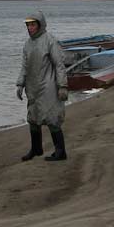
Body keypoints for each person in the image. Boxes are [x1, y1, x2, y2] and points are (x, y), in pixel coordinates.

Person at [16, 9, 69, 161]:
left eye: (33, 24)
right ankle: (36, 149)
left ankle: (60, 152)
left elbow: (59, 65)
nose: (30, 28)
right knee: (33, 118)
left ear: (40, 24)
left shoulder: (50, 41)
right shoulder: (27, 44)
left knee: (52, 118)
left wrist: (62, 86)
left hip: (49, 86)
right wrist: (20, 84)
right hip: (32, 87)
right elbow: (24, 66)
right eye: (28, 25)